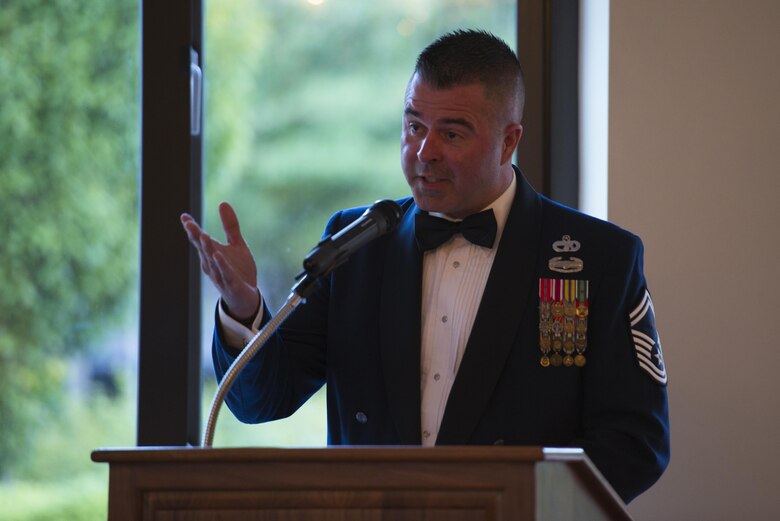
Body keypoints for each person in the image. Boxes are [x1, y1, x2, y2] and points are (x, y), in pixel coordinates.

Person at [181, 29, 669, 503]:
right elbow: (262, 400)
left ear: (508, 141)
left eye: (451, 133)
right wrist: (243, 307)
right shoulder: (355, 245)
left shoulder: (598, 258)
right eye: (414, 126)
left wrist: (518, 508)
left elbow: (635, 443)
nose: (423, 152)